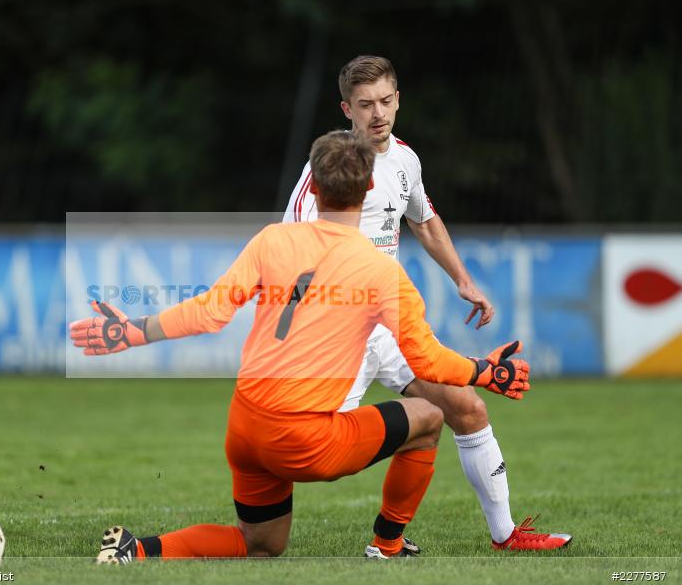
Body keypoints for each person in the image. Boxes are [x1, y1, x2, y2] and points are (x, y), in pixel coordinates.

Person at [70, 131, 530, 562]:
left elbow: (210, 312)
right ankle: (387, 543)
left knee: (262, 544)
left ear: (312, 190)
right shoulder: (380, 272)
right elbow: (427, 359)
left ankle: (139, 549)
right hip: (301, 442)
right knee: (429, 419)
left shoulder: (272, 240)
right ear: (370, 187)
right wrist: (484, 371)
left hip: (245, 428)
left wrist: (132, 331)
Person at [283, 55, 571, 551]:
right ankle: (257, 516)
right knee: (307, 452)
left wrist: (463, 280)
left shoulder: (404, 160)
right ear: (346, 109)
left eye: (386, 101)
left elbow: (424, 219)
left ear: (398, 100)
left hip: (386, 328)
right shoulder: (330, 169)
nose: (378, 114)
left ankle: (499, 536)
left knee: (466, 408)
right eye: (365, 105)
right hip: (336, 334)